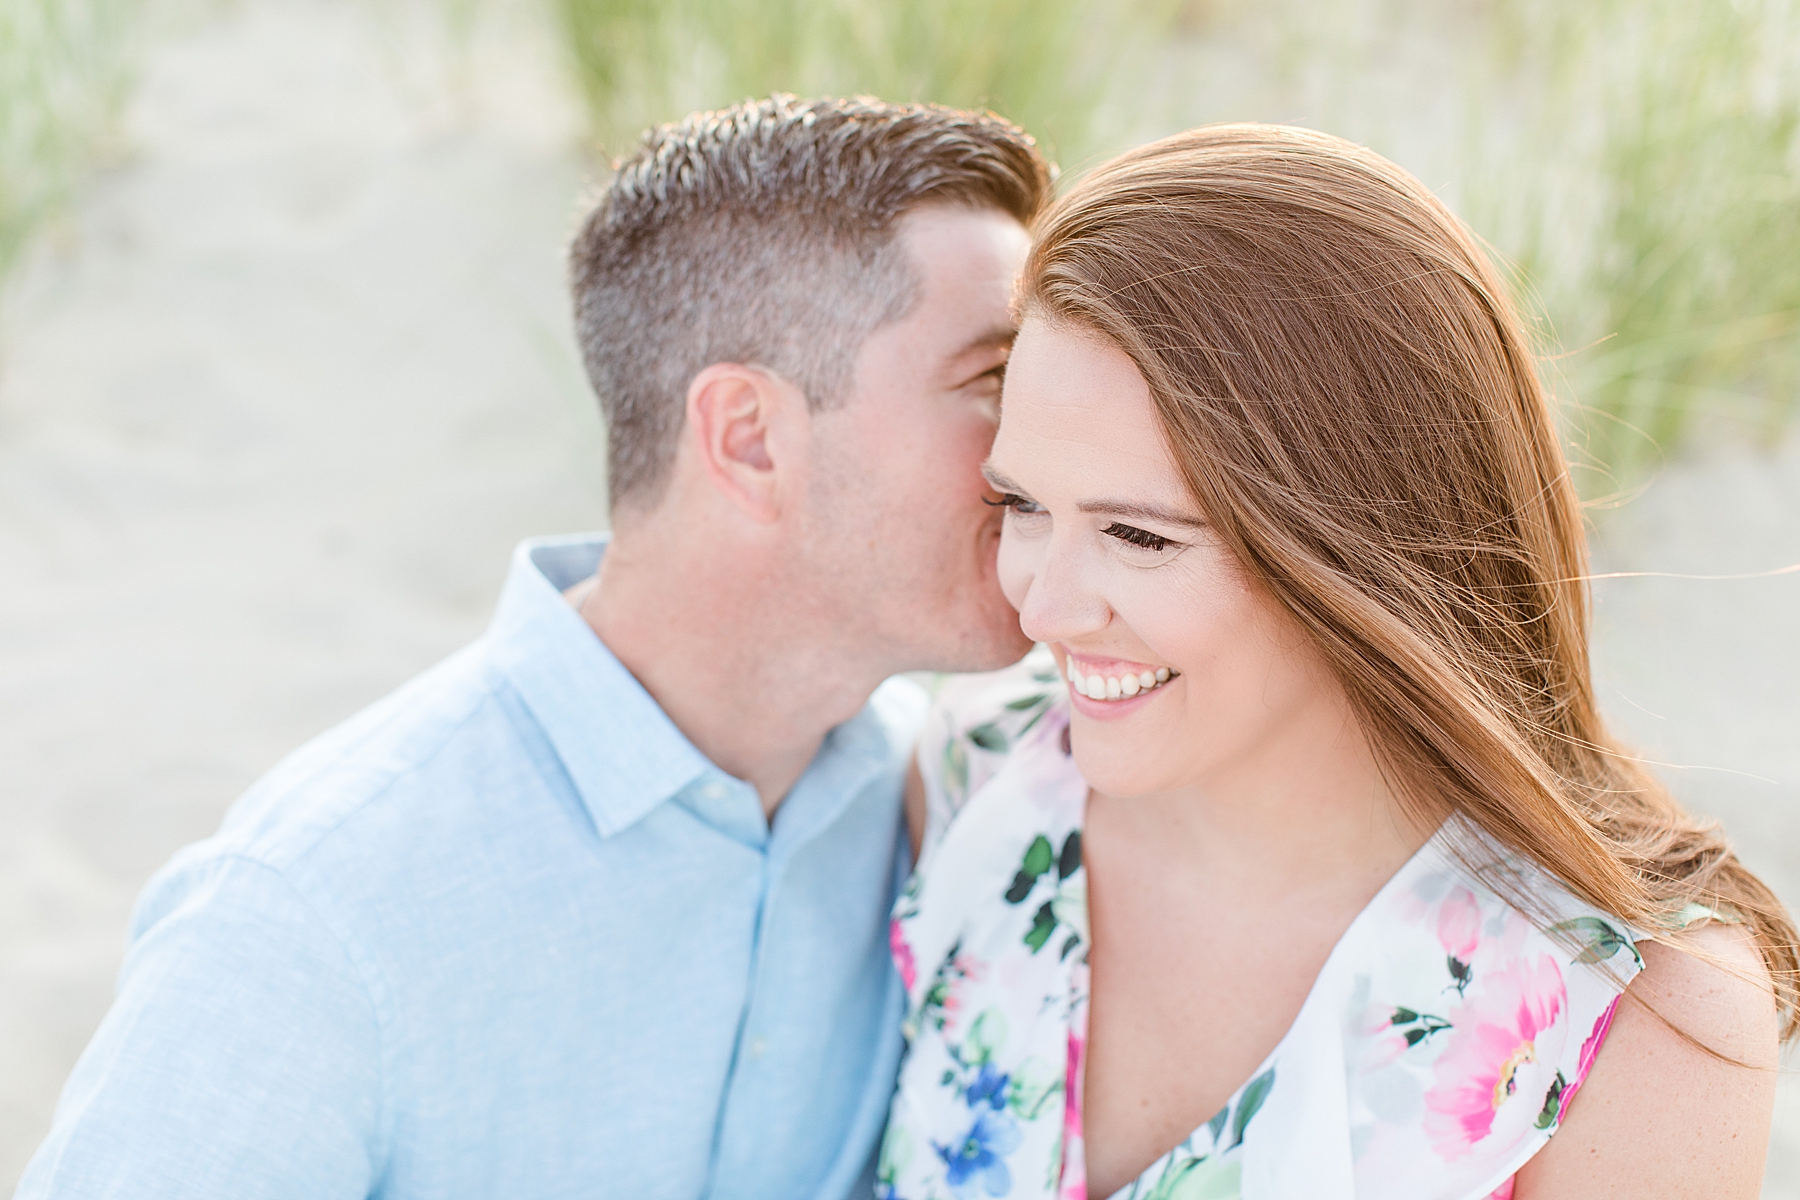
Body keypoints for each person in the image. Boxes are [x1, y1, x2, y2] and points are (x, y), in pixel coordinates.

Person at [17, 95, 1049, 1200]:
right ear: (750, 439)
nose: (1047, 445)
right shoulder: (311, 917)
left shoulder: (950, 800)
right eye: (994, 383)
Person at [880, 124, 1795, 1200]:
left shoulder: (1640, 1022)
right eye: (1024, 506)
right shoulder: (972, 777)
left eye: (1140, 536)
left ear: (1360, 547)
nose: (1042, 604)